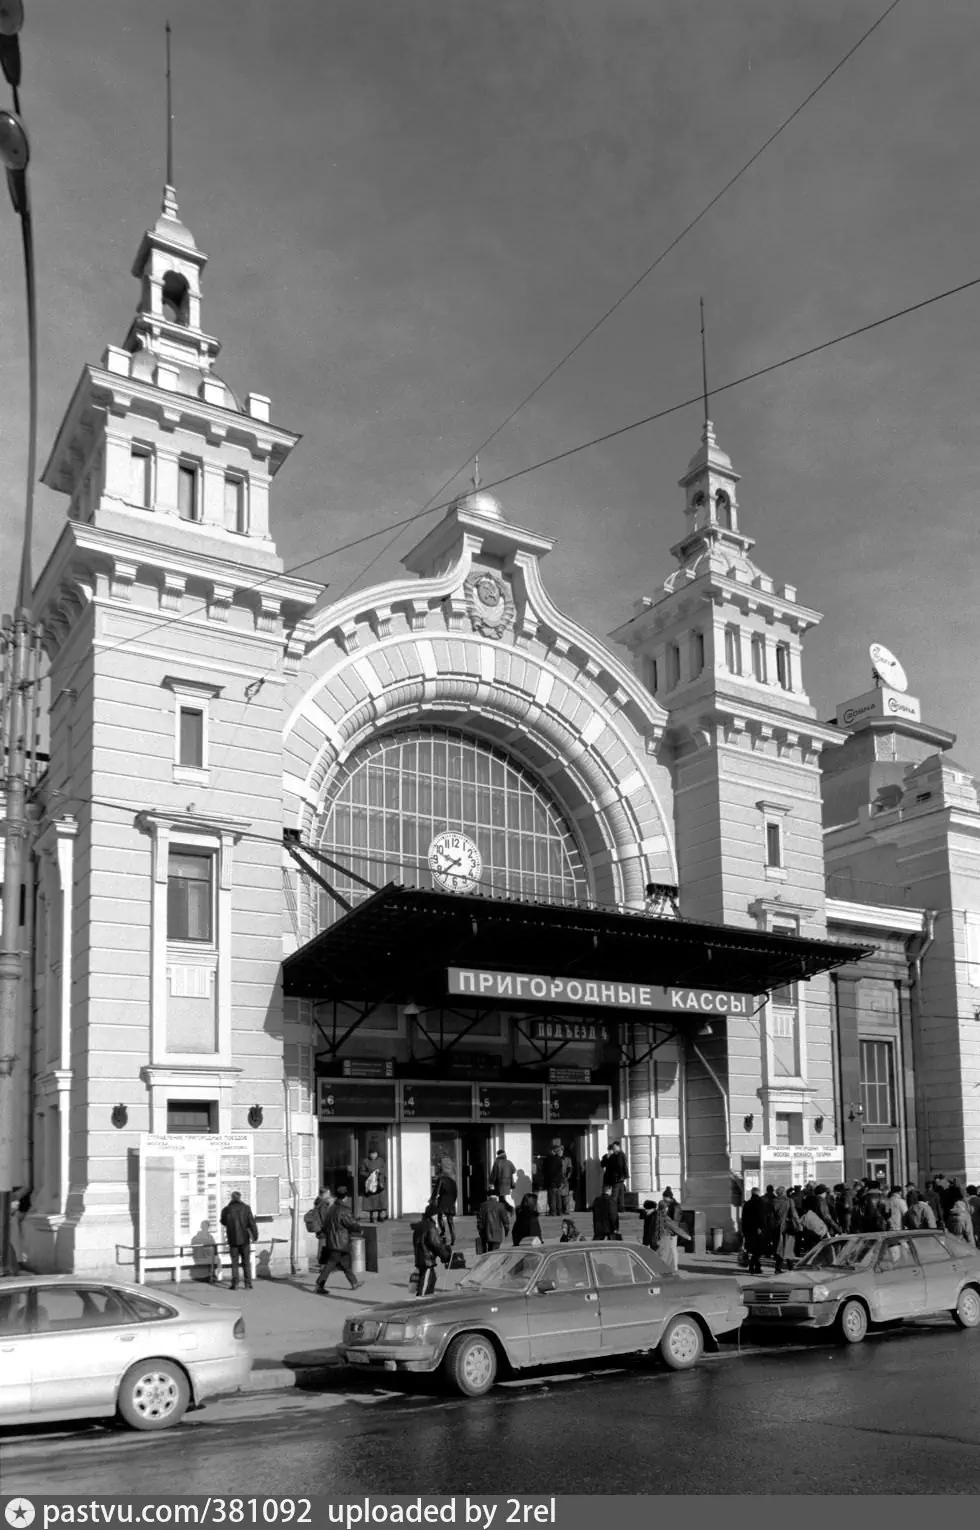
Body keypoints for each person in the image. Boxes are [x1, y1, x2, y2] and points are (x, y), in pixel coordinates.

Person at [315, 1187, 364, 1293]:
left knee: (346, 1264)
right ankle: (319, 1284)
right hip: (341, 1241)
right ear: (345, 1197)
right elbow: (351, 1223)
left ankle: (354, 1282)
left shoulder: (331, 1209)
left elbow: (325, 1225)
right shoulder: (344, 1210)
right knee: (331, 1264)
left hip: (333, 1240)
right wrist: (359, 1229)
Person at [220, 1190, 259, 1291]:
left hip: (232, 1239)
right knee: (246, 1262)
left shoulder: (226, 1209)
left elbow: (223, 1221)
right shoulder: (246, 1208)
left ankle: (235, 1284)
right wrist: (255, 1236)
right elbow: (252, 1223)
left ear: (232, 1198)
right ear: (240, 1197)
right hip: (245, 1239)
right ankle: (248, 1284)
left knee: (234, 1262)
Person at [412, 1205, 451, 1296]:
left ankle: (427, 1300)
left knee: (431, 1279)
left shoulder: (419, 1226)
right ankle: (421, 1302)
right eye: (436, 1215)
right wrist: (446, 1256)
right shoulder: (430, 1227)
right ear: (432, 1215)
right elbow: (436, 1244)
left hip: (420, 1259)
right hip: (427, 1261)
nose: (437, 1217)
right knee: (425, 1285)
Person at [643, 1197, 689, 1272]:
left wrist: (645, 1243)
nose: (645, 1210)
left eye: (646, 1209)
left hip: (660, 1240)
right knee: (666, 1257)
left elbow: (649, 1232)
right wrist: (686, 1236)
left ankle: (668, 1270)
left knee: (664, 1257)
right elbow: (674, 1227)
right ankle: (670, 1270)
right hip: (663, 1239)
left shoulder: (655, 1216)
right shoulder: (660, 1216)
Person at [772, 1186, 801, 1274]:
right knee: (788, 1246)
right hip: (787, 1227)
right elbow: (794, 1213)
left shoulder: (773, 1201)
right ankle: (790, 1266)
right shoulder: (789, 1200)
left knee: (780, 1247)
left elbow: (771, 1216)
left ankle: (779, 1267)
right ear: (784, 1192)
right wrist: (799, 1224)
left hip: (777, 1227)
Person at [740, 1188, 768, 1275]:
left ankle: (755, 1267)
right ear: (758, 1193)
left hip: (748, 1230)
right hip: (757, 1230)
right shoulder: (760, 1202)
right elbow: (762, 1216)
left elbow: (743, 1218)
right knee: (759, 1250)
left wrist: (743, 1230)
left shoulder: (747, 1203)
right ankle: (753, 1265)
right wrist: (761, 1227)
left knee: (752, 1249)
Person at [431, 1159, 458, 1247]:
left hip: (443, 1202)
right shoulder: (453, 1181)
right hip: (451, 1203)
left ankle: (443, 1232)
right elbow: (455, 1193)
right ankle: (453, 1239)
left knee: (440, 1217)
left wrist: (432, 1199)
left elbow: (436, 1192)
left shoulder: (441, 1179)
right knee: (450, 1221)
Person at [359, 1144, 388, 1223]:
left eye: (375, 1153)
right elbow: (361, 1172)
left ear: (377, 1153)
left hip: (379, 1183)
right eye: (371, 1154)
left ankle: (379, 1216)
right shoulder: (365, 1161)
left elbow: (385, 1169)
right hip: (371, 1184)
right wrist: (370, 1174)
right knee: (370, 1201)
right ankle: (371, 1217)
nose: (373, 1155)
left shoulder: (381, 1160)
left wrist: (379, 1171)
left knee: (380, 1200)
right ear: (369, 1154)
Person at [601, 1140, 629, 1213]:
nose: (611, 1151)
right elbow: (602, 1164)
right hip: (611, 1177)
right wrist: (607, 1157)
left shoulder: (618, 1155)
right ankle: (619, 1207)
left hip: (617, 1177)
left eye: (612, 1149)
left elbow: (620, 1166)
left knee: (616, 1193)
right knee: (616, 1193)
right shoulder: (610, 1156)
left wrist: (621, 1175)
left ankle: (615, 1208)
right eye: (610, 1149)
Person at [542, 1141, 565, 1216]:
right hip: (558, 1181)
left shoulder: (550, 1159)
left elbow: (550, 1171)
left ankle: (553, 1212)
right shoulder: (559, 1159)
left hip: (552, 1181)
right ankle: (559, 1211)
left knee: (552, 1197)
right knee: (558, 1197)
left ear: (552, 1151)